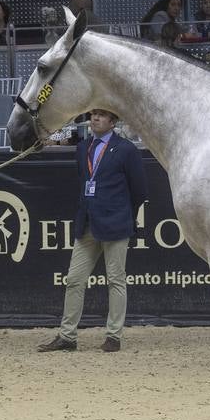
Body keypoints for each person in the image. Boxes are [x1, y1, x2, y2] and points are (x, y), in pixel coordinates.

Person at [37, 108, 148, 353]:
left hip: (116, 223)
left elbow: (139, 190)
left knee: (116, 280)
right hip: (88, 222)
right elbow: (83, 181)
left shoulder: (126, 150)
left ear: (113, 121)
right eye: (92, 115)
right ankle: (67, 336)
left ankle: (114, 336)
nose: (94, 118)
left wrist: (123, 214)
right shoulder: (83, 148)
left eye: (100, 115)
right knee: (74, 279)